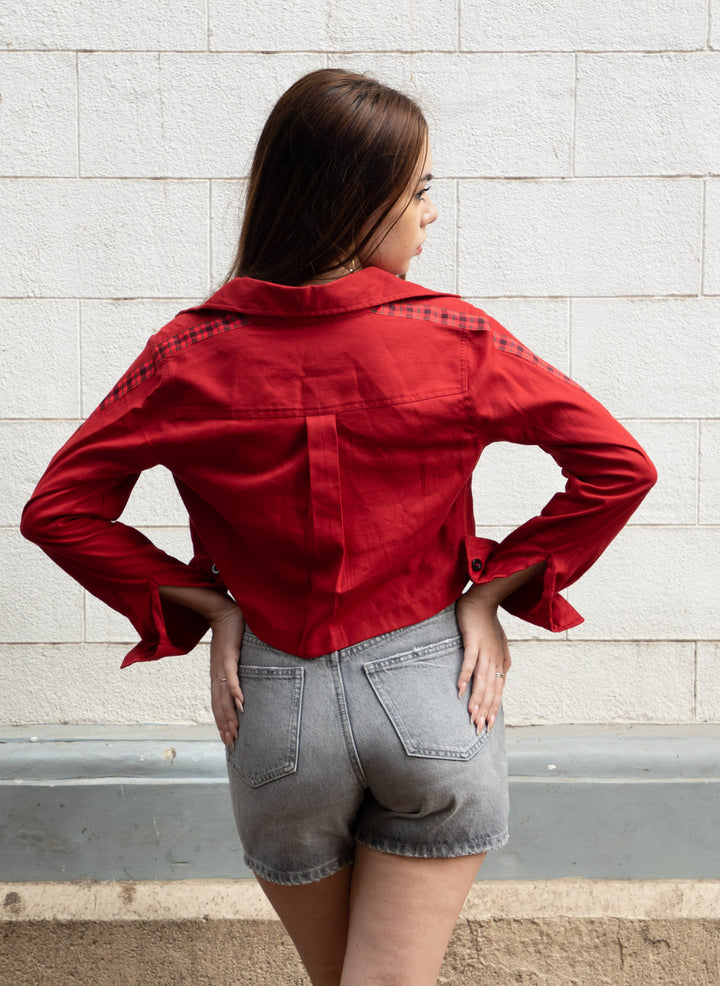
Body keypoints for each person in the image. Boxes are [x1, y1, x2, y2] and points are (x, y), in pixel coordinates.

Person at [21, 68, 656, 986]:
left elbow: (60, 511)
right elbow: (619, 467)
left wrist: (210, 606)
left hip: (275, 712)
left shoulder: (187, 352)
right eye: (421, 190)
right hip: (435, 692)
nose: (431, 214)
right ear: (359, 202)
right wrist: (492, 594)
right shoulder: (456, 336)